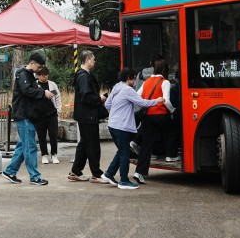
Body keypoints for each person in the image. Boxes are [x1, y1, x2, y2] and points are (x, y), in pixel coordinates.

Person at [101, 68, 164, 189]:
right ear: (128, 78)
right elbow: (143, 103)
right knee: (125, 153)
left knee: (122, 150)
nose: (135, 80)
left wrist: (118, 108)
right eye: (134, 77)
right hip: (122, 126)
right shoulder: (128, 90)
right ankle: (123, 181)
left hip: (112, 124)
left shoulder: (117, 87)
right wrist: (158, 100)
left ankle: (109, 174)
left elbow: (108, 104)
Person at [2, 52, 53, 186]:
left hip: (28, 115)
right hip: (23, 115)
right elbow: (26, 91)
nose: (40, 70)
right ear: (33, 63)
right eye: (39, 67)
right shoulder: (23, 74)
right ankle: (35, 177)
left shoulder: (29, 75)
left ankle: (10, 171)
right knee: (30, 147)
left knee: (22, 147)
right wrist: (43, 92)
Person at [132, 58, 177, 184]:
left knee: (146, 145)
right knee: (173, 129)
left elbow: (137, 95)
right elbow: (166, 101)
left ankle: (139, 172)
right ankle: (170, 155)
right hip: (161, 115)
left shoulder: (146, 82)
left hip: (148, 116)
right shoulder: (165, 82)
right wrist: (172, 111)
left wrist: (146, 103)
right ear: (165, 69)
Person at [68, 50, 109, 184]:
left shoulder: (83, 75)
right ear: (87, 60)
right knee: (93, 145)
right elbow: (86, 97)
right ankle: (96, 174)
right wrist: (99, 99)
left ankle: (76, 171)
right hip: (88, 115)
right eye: (93, 59)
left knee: (85, 143)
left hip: (85, 115)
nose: (94, 61)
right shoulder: (84, 77)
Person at [33, 66, 61, 164]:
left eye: (46, 75)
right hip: (39, 115)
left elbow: (57, 97)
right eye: (42, 75)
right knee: (41, 136)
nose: (45, 77)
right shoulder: (35, 85)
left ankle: (54, 154)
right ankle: (44, 155)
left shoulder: (52, 85)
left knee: (53, 134)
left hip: (52, 114)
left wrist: (58, 110)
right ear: (38, 75)